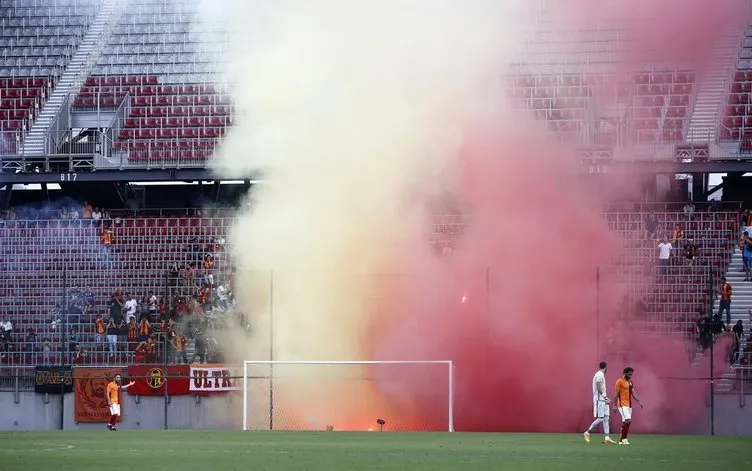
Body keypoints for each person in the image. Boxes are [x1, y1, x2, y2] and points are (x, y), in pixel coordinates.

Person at [584, 361, 616, 444]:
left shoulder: (601, 375)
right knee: (601, 418)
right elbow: (598, 386)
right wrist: (605, 397)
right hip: (600, 399)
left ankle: (607, 437)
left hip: (603, 399)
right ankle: (587, 432)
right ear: (605, 367)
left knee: (606, 418)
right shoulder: (599, 374)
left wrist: (605, 397)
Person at [613, 367, 643, 445]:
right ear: (625, 373)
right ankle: (624, 438)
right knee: (628, 420)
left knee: (625, 423)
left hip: (629, 405)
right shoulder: (619, 381)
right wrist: (615, 405)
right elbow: (616, 394)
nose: (630, 376)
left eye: (631, 374)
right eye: (629, 374)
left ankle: (620, 440)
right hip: (622, 405)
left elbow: (633, 392)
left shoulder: (630, 382)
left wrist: (639, 401)